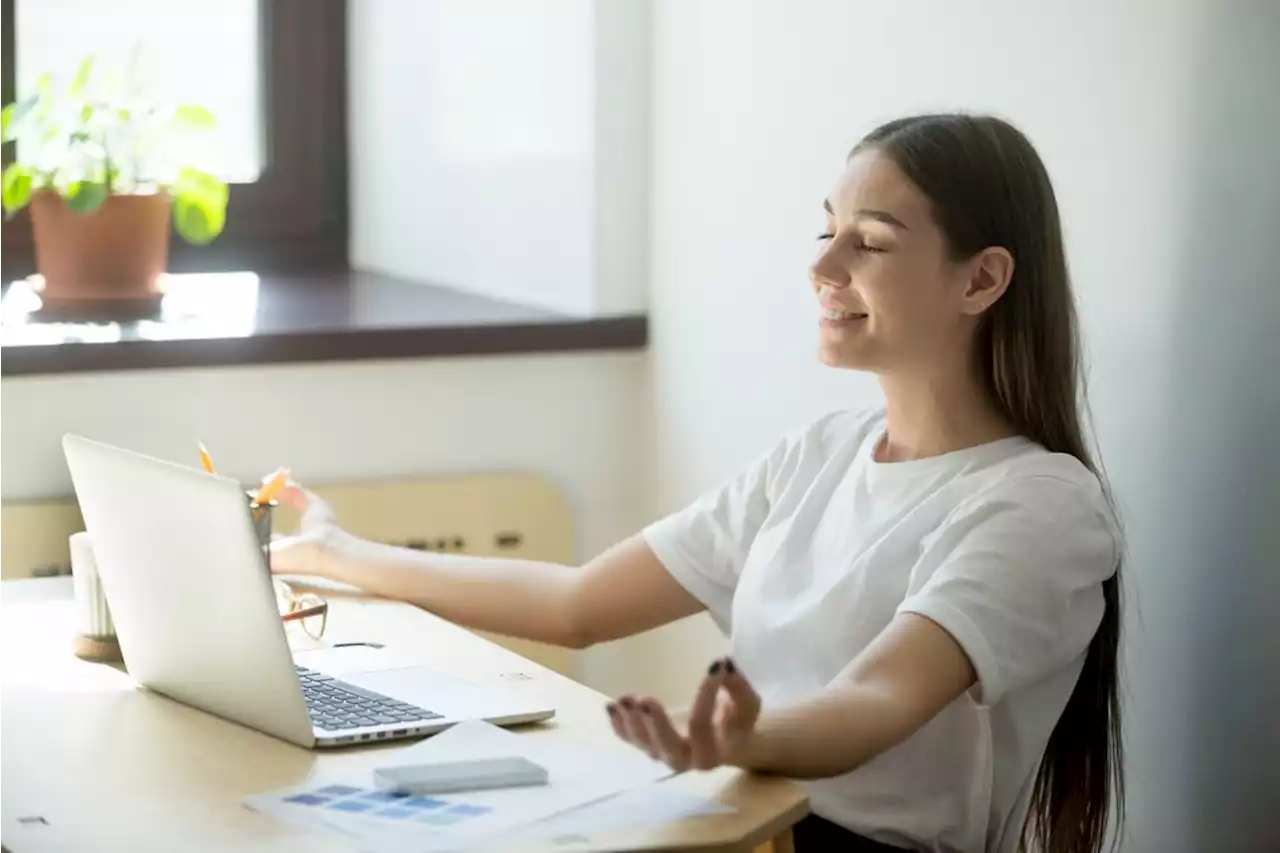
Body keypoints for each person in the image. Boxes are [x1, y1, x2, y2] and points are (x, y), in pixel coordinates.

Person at [270, 113, 1124, 853]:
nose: (824, 267)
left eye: (870, 241)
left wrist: (739, 737)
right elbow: (578, 603)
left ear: (982, 279)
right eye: (825, 230)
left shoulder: (1040, 504)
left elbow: (875, 699)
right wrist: (341, 554)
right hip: (733, 818)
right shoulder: (822, 452)